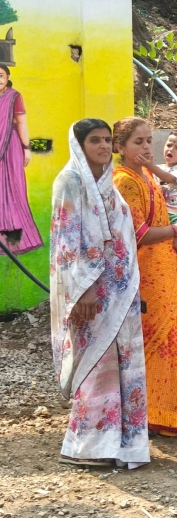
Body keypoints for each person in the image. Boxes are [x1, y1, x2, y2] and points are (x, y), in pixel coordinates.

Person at [50, 119, 149, 469]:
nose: (104, 146)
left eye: (108, 140)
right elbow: (67, 241)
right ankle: (88, 446)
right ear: (79, 144)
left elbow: (121, 233)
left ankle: (123, 445)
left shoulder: (107, 183)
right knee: (97, 365)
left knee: (125, 366)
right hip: (91, 295)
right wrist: (86, 288)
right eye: (95, 140)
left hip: (120, 293)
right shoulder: (71, 181)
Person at [112, 118, 177, 437]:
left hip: (164, 272)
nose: (148, 147)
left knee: (168, 341)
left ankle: (167, 415)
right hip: (146, 273)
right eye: (138, 142)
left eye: (150, 140)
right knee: (151, 344)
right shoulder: (124, 180)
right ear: (119, 147)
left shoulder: (149, 174)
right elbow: (136, 233)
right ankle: (149, 416)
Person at [141, 130, 177, 296]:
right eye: (169, 145)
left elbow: (169, 179)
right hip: (166, 217)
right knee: (175, 250)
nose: (171, 149)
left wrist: (149, 165)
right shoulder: (158, 168)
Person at [0, 64, 42, 255]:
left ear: (8, 77)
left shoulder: (14, 97)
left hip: (11, 147)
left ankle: (16, 238)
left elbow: (22, 123)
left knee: (13, 188)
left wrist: (27, 148)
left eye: (1, 75)